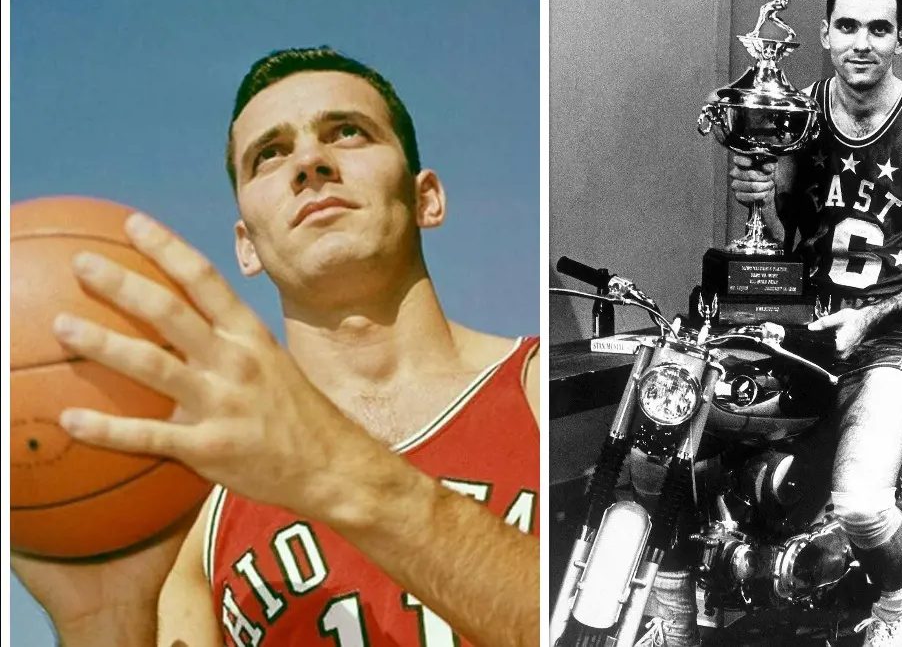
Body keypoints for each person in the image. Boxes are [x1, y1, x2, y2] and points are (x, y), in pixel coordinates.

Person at [12, 47, 541, 647]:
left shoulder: (547, 389)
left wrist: (342, 474)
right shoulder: (199, 514)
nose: (310, 162)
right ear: (246, 247)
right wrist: (106, 626)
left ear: (427, 198)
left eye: (348, 132)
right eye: (270, 154)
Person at [730, 0, 902, 646]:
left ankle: (896, 603)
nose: (860, 43)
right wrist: (759, 200)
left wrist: (869, 317)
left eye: (877, 29)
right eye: (846, 27)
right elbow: (786, 238)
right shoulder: (793, 111)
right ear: (822, 34)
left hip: (896, 329)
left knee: (864, 506)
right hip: (810, 322)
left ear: (900, 38)